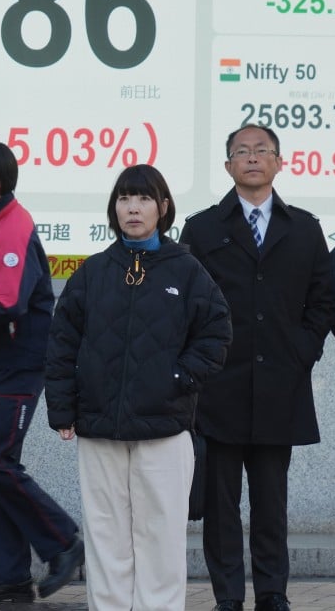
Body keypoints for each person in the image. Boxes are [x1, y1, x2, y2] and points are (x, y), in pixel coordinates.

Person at [46, 164, 232, 610]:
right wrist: (63, 409)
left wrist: (177, 378)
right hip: (99, 428)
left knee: (161, 536)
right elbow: (61, 342)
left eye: (144, 198)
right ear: (114, 208)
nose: (133, 207)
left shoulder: (186, 271)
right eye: (125, 198)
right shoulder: (92, 272)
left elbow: (217, 333)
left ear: (163, 208)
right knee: (105, 534)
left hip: (164, 429)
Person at [180, 124, 335, 611]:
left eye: (261, 151)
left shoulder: (306, 228)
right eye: (241, 152)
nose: (251, 158)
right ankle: (228, 596)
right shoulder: (202, 228)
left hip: (279, 387)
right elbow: (186, 303)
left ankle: (272, 593)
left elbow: (323, 299)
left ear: (279, 161)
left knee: (272, 503)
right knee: (222, 508)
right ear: (227, 166)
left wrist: (302, 350)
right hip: (218, 388)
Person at [0, 139, 83, 603]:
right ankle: (5, 575)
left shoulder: (12, 225)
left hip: (19, 364)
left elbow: (8, 301)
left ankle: (64, 542)